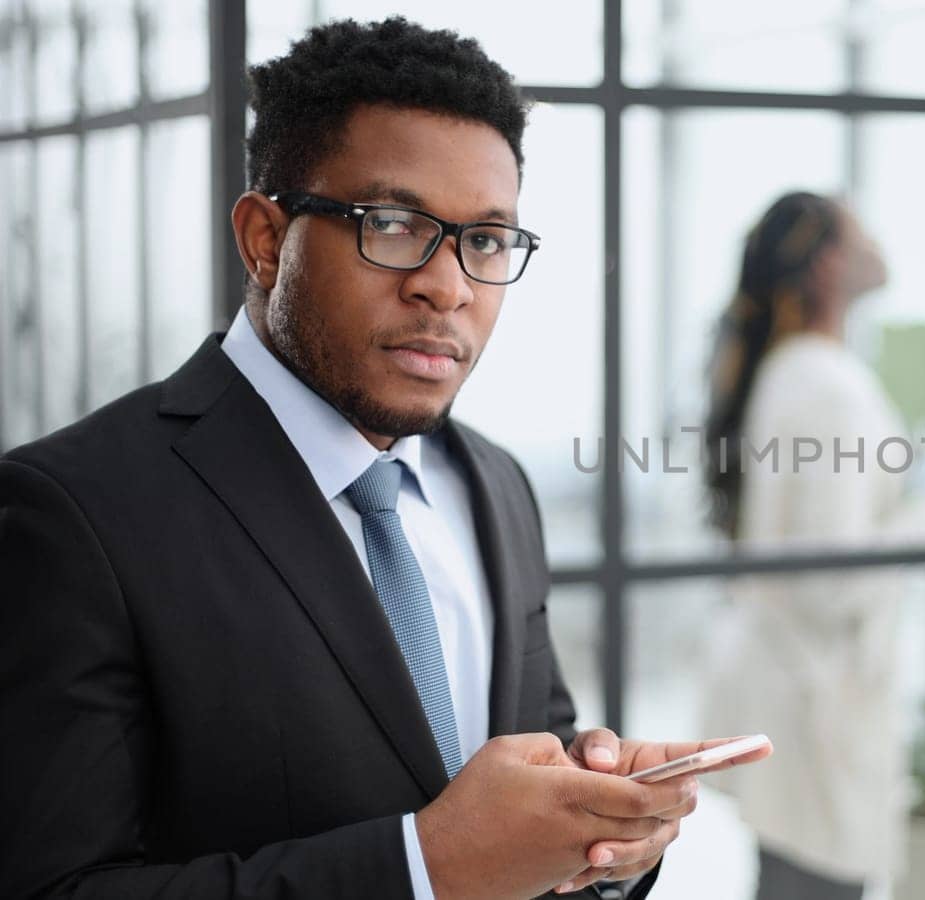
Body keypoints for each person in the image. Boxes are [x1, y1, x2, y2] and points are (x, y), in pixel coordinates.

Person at [0, 17, 766, 900]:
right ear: (264, 239)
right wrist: (422, 869)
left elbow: (532, 773)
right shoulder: (76, 510)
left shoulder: (495, 487)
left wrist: (603, 836)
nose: (448, 286)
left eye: (485, 241)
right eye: (394, 223)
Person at [698, 192, 925, 900]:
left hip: (787, 696)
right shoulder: (830, 387)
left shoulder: (791, 370)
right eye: (861, 229)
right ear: (827, 264)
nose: (878, 241)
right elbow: (836, 583)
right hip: (815, 708)